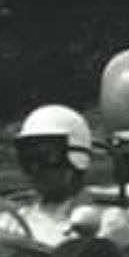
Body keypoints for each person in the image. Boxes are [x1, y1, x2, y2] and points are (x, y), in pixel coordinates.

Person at [11, 104, 105, 246]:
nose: (35, 167)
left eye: (47, 156)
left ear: (76, 158)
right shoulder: (13, 218)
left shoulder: (107, 221)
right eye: (28, 157)